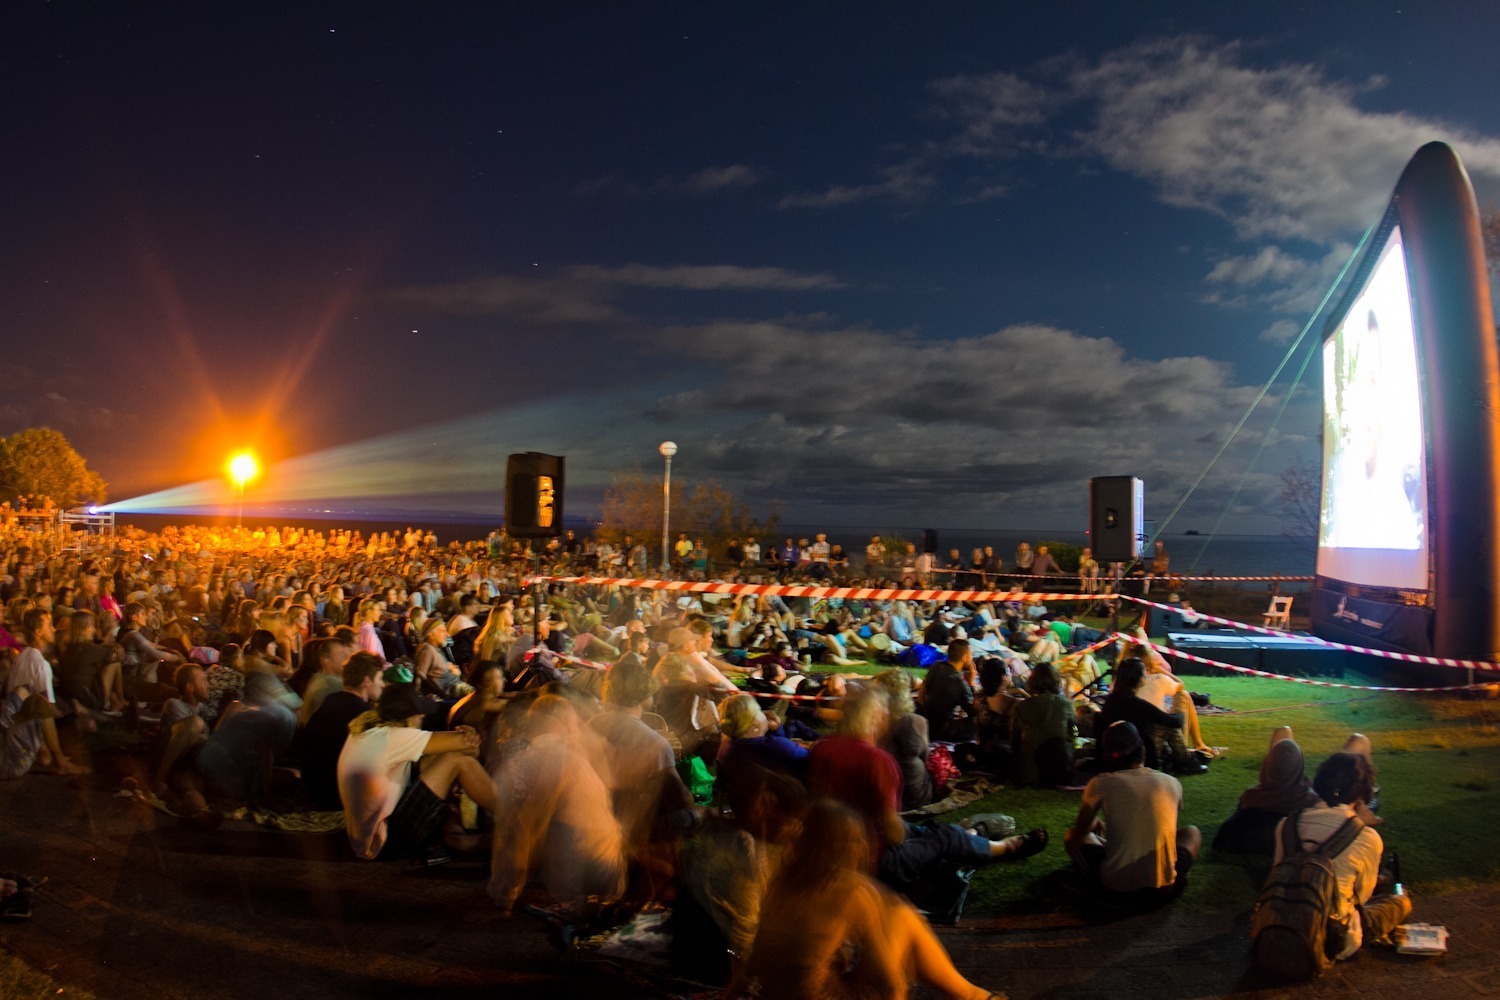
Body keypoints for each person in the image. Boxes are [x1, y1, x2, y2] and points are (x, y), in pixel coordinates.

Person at [728, 800, 1006, 1000]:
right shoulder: (850, 891)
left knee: (895, 918)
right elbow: (888, 980)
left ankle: (970, 994)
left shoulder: (783, 880)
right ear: (846, 846)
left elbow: (759, 956)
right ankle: (970, 994)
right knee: (902, 916)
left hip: (771, 991)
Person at [490, 694, 627, 913]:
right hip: (596, 869)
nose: (576, 728)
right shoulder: (557, 756)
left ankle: (568, 906)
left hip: (592, 872)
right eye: (572, 722)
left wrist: (506, 894)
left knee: (548, 824)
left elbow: (524, 826)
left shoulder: (550, 757)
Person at [1270, 751, 1411, 959]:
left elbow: (1276, 872)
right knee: (1400, 902)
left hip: (1276, 927)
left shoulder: (1286, 824)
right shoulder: (1366, 837)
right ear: (1363, 791)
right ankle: (1393, 888)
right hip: (1332, 941)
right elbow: (1362, 898)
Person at [338, 683, 497, 863]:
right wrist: (470, 732)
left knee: (439, 759)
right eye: (421, 713)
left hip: (365, 838)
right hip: (382, 843)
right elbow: (470, 747)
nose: (423, 716)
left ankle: (456, 837)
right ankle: (510, 812)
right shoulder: (395, 736)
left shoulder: (368, 729)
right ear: (413, 717)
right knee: (456, 760)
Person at [1065, 721, 1200, 900]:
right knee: (1192, 833)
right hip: (1164, 890)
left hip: (1116, 889)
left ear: (1107, 755)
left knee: (1071, 837)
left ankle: (1099, 878)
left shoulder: (1100, 783)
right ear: (1142, 749)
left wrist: (1094, 826)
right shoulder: (1171, 782)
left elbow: (1081, 831)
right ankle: (1170, 873)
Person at [299, 653, 387, 809]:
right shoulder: (363, 714)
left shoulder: (332, 699)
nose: (383, 685)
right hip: (335, 795)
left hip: (313, 788)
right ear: (366, 681)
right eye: (380, 679)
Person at [1010, 661, 1078, 787]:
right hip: (1060, 769)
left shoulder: (1022, 706)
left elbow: (1014, 739)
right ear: (1056, 681)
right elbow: (1074, 730)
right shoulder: (1065, 704)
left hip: (1030, 772)